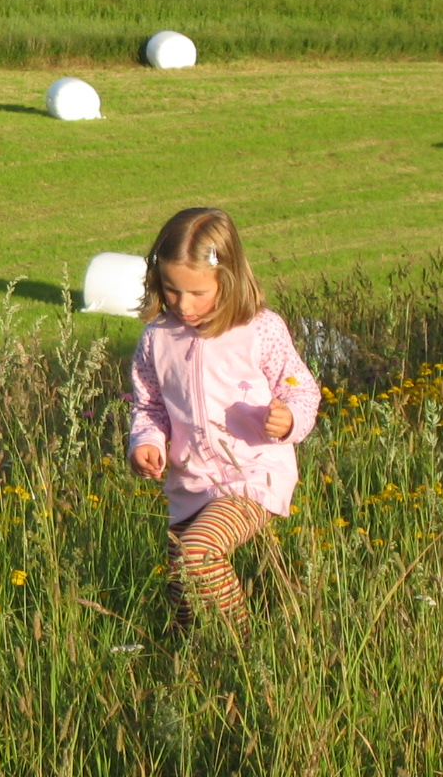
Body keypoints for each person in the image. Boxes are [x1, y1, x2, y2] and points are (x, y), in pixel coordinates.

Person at [127, 207, 320, 638]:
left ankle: (246, 647)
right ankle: (190, 659)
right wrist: (146, 442)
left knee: (198, 556)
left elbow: (301, 390)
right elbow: (149, 406)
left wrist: (288, 419)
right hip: (189, 481)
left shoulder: (259, 330)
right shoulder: (157, 338)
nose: (183, 304)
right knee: (181, 588)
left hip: (252, 475)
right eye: (172, 290)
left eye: (198, 292)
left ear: (228, 279)